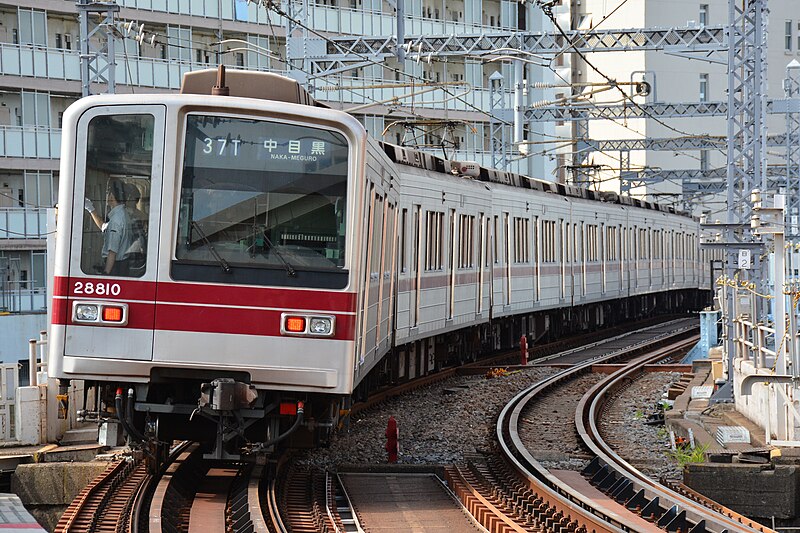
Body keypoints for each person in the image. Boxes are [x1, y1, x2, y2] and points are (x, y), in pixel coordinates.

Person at [84, 180, 136, 276]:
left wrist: (106, 273)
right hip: (121, 264)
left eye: (108, 193)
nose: (107, 196)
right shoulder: (123, 214)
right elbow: (104, 227)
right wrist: (91, 209)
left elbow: (112, 252)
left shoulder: (116, 220)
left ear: (112, 196)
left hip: (115, 267)